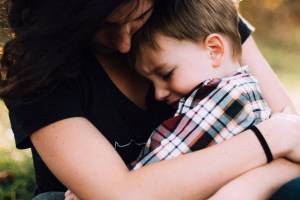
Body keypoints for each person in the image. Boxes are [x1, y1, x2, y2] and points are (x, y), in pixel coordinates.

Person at [0, 0, 300, 199]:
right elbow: (118, 196)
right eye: (103, 27)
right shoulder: (37, 67)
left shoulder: (199, 18)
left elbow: (295, 147)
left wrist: (246, 188)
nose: (124, 44)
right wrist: (271, 139)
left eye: (137, 17)